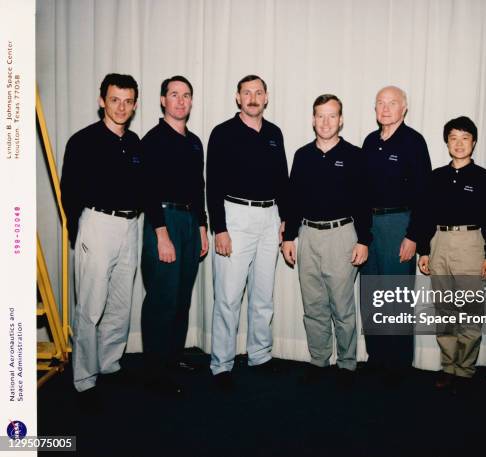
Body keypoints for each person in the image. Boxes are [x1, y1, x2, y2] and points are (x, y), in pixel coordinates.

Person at [60, 73, 142, 409]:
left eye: (127, 101)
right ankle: (84, 379)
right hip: (96, 224)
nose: (121, 107)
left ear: (134, 104)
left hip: (131, 226)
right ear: (101, 101)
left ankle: (109, 364)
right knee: (91, 307)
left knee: (121, 304)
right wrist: (79, 230)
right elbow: (69, 192)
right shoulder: (83, 141)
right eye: (114, 100)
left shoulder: (135, 141)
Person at [282, 94, 371, 386]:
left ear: (341, 120)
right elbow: (292, 200)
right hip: (307, 235)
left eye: (332, 115)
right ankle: (319, 361)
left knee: (342, 307)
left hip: (342, 236)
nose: (326, 122)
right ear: (312, 119)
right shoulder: (302, 155)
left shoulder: (355, 156)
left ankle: (347, 365)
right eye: (320, 115)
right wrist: (289, 237)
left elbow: (363, 202)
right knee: (314, 305)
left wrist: (363, 241)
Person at [207, 75, 289, 389]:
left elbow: (282, 180)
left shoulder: (274, 133)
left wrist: (285, 219)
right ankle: (222, 364)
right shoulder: (223, 133)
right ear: (238, 98)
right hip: (235, 216)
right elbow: (212, 183)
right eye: (247, 92)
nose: (253, 97)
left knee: (263, 294)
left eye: (258, 92)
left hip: (269, 218)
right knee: (228, 297)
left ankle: (260, 354)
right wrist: (220, 229)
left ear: (266, 97)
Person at [417, 116, 486, 389]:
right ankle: (449, 366)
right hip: (439, 242)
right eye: (453, 138)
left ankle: (465, 370)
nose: (459, 143)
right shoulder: (436, 177)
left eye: (465, 138)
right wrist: (424, 250)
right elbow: (424, 214)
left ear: (474, 142)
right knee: (444, 311)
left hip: (471, 244)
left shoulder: (485, 179)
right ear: (447, 142)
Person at [140, 75, 209, 394]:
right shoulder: (153, 140)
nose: (180, 100)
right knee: (162, 300)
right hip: (163, 220)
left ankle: (171, 358)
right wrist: (161, 235)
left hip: (189, 222)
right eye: (174, 94)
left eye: (186, 95)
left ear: (191, 101)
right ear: (162, 100)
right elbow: (148, 191)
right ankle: (155, 373)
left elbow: (198, 188)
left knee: (181, 298)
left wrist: (202, 227)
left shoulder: (194, 142)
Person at [361, 86, 432, 382]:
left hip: (399, 225)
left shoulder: (414, 142)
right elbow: (361, 192)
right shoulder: (369, 141)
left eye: (392, 103)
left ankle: (398, 365)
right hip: (370, 227)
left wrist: (415, 236)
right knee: (371, 295)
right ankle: (377, 357)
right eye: (380, 103)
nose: (385, 108)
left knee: (396, 298)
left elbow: (425, 194)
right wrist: (361, 234)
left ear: (404, 108)